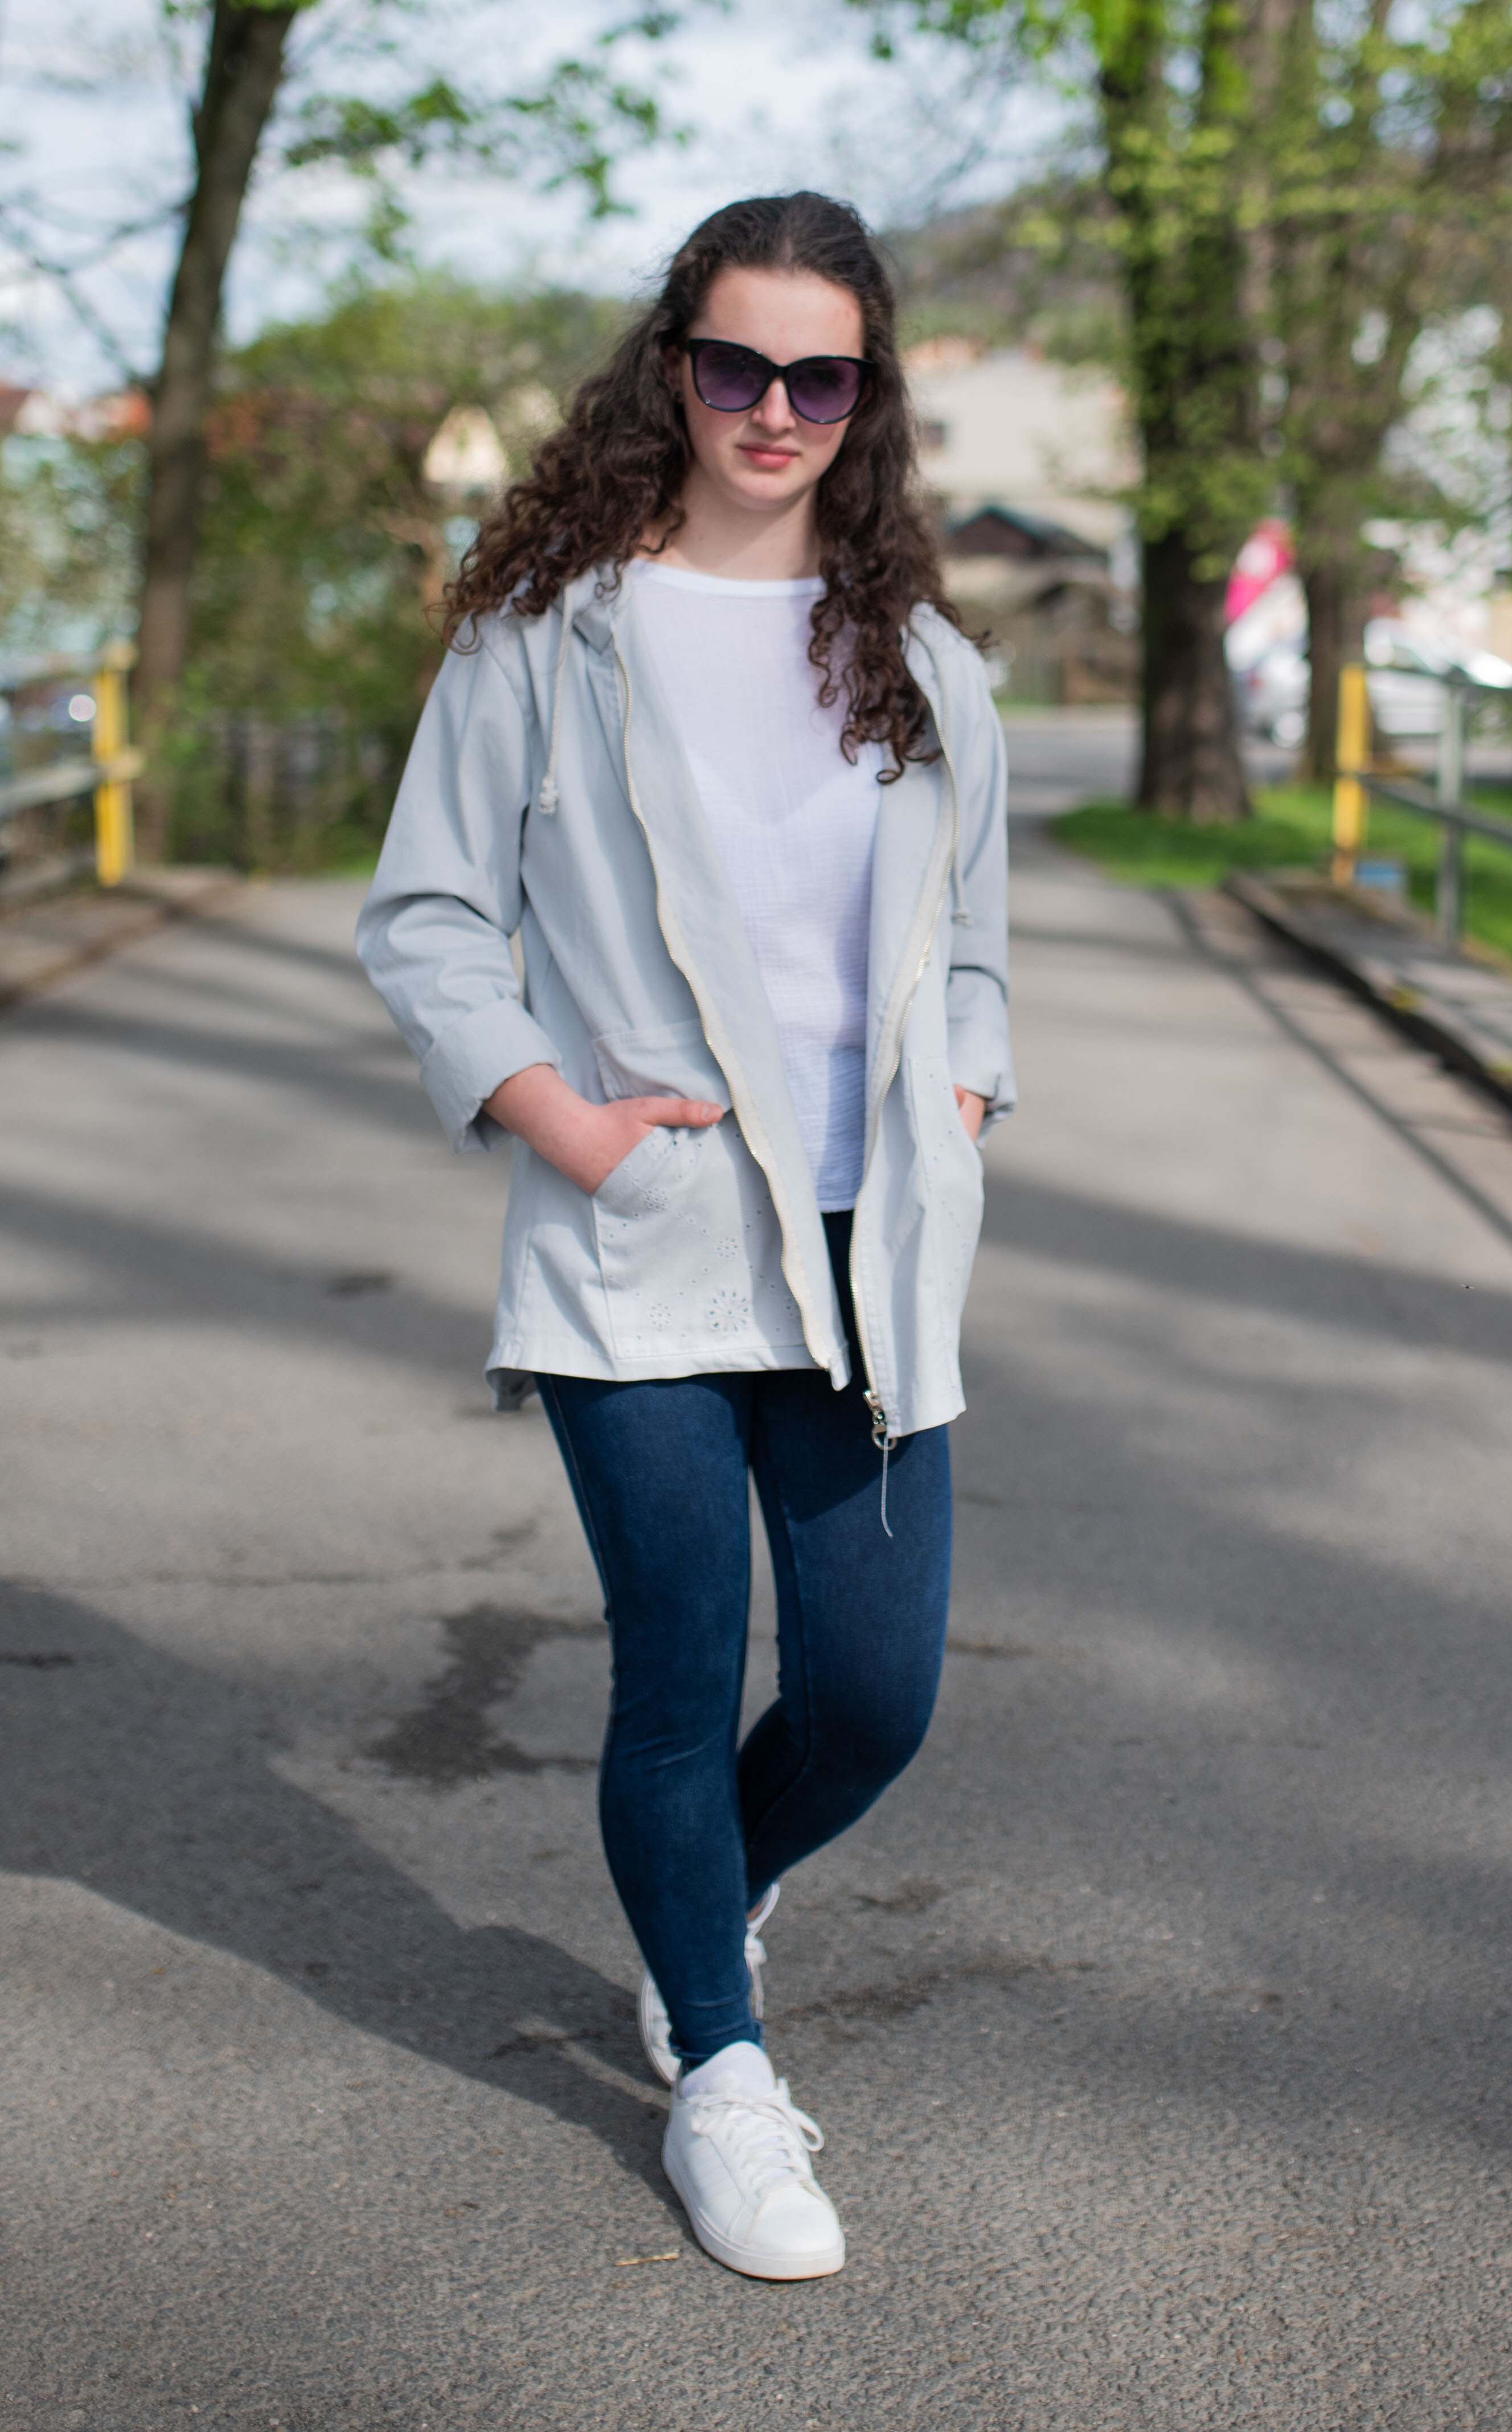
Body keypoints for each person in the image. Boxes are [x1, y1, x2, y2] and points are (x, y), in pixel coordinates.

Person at [357, 190, 1013, 2282]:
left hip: (867, 1247)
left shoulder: (926, 664)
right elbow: (428, 916)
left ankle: (696, 1903)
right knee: (673, 1676)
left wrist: (964, 1093)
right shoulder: (542, 639)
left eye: (820, 375)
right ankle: (718, 2072)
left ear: (864, 395)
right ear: (674, 364)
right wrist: (550, 1113)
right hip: (640, 1233)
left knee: (873, 1699)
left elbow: (974, 952)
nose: (774, 407)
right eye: (737, 363)